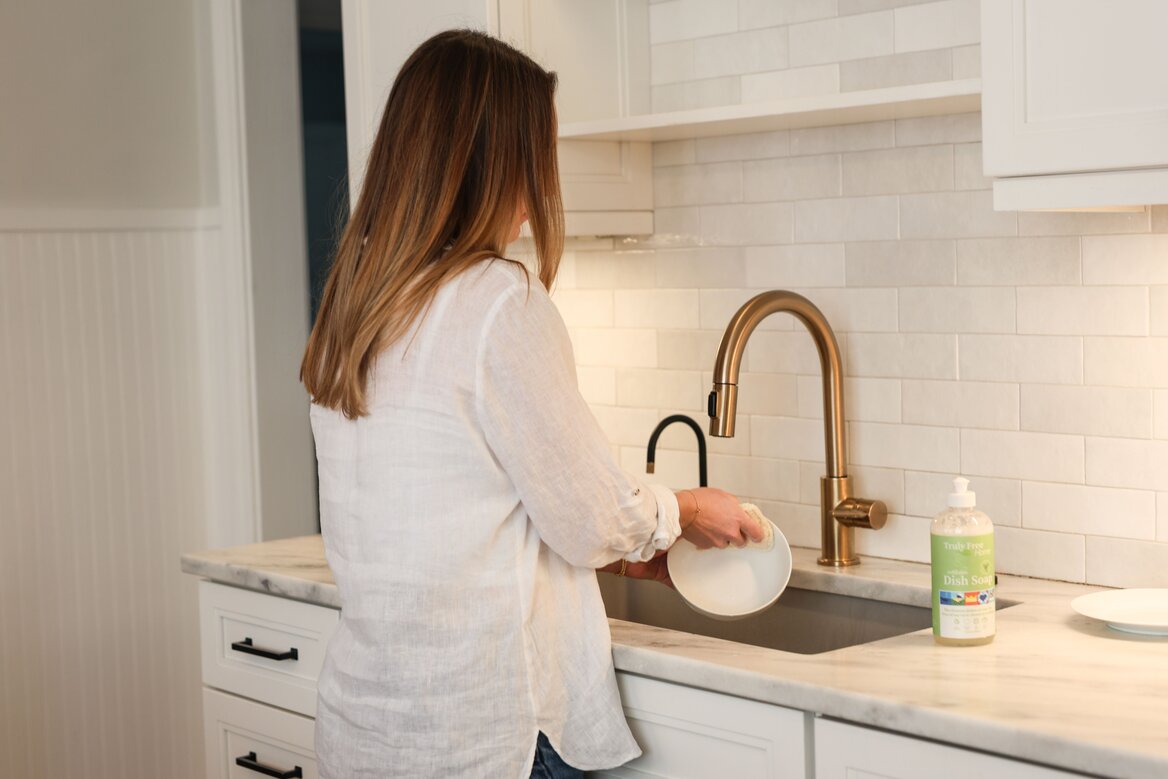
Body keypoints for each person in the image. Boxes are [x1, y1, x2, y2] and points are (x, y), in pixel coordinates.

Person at [300, 29, 764, 779]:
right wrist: (679, 509)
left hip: (366, 730)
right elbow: (588, 519)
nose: (540, 184)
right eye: (533, 156)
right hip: (487, 737)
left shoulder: (354, 306)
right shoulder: (496, 300)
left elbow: (459, 509)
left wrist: (622, 540)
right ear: (488, 163)